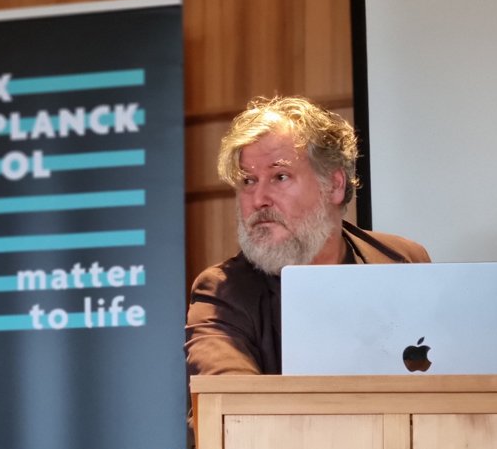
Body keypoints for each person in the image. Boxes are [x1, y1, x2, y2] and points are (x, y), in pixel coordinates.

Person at [184, 96, 430, 379]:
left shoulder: (403, 262)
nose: (259, 199)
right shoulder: (222, 292)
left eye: (280, 177)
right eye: (248, 181)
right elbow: (231, 401)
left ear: (334, 185)